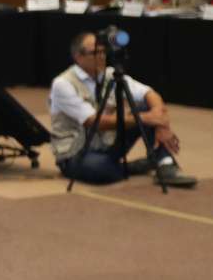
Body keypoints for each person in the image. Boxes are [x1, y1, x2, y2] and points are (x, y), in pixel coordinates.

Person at [49, 31, 197, 188]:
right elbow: (94, 122)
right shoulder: (63, 83)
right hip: (75, 152)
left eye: (103, 51)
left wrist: (162, 125)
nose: (101, 56)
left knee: (146, 107)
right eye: (95, 52)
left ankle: (165, 163)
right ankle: (132, 167)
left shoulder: (111, 74)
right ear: (78, 57)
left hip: (107, 143)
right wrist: (146, 118)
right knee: (101, 170)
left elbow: (150, 94)